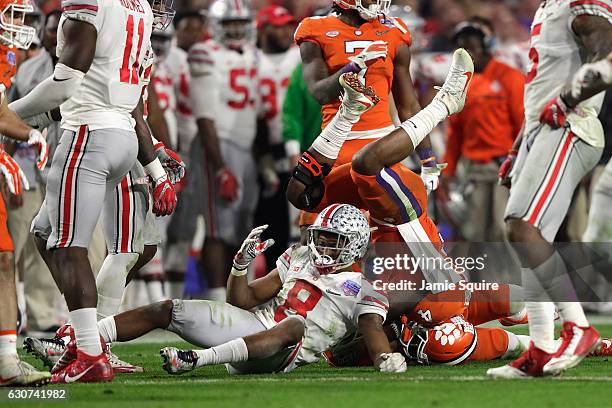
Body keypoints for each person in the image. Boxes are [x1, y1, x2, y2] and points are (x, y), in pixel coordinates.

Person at [7, 0, 177, 383]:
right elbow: (127, 101)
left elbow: (66, 84)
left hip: (89, 134)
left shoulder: (92, 3)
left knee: (70, 246)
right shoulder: (140, 10)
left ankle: (89, 351)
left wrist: (8, 113)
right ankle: (83, 339)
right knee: (45, 232)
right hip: (121, 136)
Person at [44, 204, 406, 375]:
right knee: (167, 309)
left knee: (294, 324)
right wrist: (240, 265)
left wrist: (384, 359)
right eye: (321, 238)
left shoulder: (364, 289)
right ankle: (77, 341)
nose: (322, 247)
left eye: (334, 241)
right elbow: (242, 300)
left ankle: (196, 360)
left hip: (281, 356)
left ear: (355, 245)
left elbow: (373, 332)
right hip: (251, 335)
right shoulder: (299, 256)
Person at [490, 0, 612, 378]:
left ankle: (578, 327)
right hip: (541, 129)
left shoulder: (583, 5)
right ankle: (540, 349)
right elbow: (541, 86)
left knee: (521, 226)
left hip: (569, 127)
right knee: (527, 237)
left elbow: (607, 62)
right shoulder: (551, 7)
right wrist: (518, 145)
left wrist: (568, 99)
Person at [295, 0, 443, 228]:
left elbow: (408, 104)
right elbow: (319, 92)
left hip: (382, 148)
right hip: (336, 146)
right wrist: (353, 67)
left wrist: (428, 158)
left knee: (394, 234)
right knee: (323, 239)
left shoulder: (394, 30)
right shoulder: (316, 29)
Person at [188, 0, 260, 301]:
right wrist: (219, 166)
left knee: (243, 225)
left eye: (238, 23)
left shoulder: (254, 55)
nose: (234, 29)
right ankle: (217, 299)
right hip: (217, 144)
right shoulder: (204, 54)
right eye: (228, 23)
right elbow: (205, 115)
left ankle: (238, 297)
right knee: (218, 228)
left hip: (246, 147)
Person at [0, 0, 50, 387]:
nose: (20, 24)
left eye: (23, 16)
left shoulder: (8, 55)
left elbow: (1, 113)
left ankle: (6, 360)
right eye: (12, 15)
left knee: (4, 258)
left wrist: (30, 134)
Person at [440, 21, 525, 243]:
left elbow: (522, 125)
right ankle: (481, 279)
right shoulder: (460, 83)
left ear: (486, 46)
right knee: (473, 233)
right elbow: (455, 133)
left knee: (503, 229)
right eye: (462, 49)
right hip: (473, 169)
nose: (468, 54)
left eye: (472, 48)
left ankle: (511, 278)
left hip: (504, 166)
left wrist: (523, 163)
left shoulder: (510, 77)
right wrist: (447, 171)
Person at [254, 5, 300, 268]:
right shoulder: (251, 60)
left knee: (298, 225)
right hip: (265, 151)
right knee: (270, 226)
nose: (285, 31)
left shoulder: (300, 56)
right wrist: (262, 159)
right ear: (262, 29)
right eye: (278, 25)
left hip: (301, 147)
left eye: (287, 25)